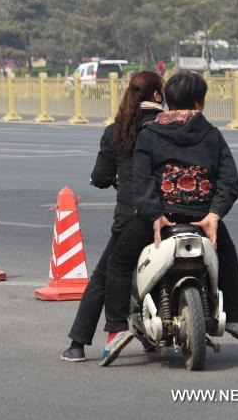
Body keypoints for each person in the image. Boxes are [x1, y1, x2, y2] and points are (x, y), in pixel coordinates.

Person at [99, 72, 238, 367]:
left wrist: (155, 215)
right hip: (200, 216)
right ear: (199, 103)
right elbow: (230, 181)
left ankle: (115, 330)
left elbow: (140, 181)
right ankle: (234, 317)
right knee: (227, 255)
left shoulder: (150, 134)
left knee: (118, 263)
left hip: (159, 220)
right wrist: (214, 214)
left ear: (168, 99)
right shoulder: (212, 135)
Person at [61, 71, 164, 362]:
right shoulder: (168, 125)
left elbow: (100, 176)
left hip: (132, 216)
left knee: (103, 277)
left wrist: (116, 179)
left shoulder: (116, 130)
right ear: (156, 96)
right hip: (174, 213)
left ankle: (78, 343)